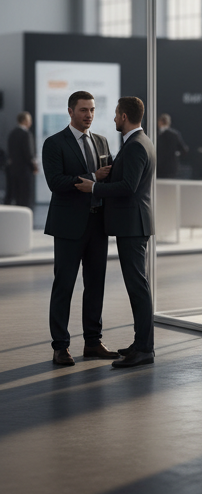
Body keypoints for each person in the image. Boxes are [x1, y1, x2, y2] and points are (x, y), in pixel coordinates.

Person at [77, 95, 156, 368]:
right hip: (133, 224)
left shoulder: (134, 146)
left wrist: (94, 187)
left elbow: (128, 187)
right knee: (138, 286)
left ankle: (145, 349)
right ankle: (140, 344)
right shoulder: (140, 142)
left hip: (132, 225)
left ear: (124, 116)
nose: (112, 119)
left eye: (115, 114)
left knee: (138, 287)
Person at [41, 91, 117, 366]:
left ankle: (93, 343)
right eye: (84, 110)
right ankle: (60, 346)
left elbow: (108, 180)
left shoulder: (101, 141)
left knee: (95, 285)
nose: (89, 115)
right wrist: (92, 177)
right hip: (69, 227)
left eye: (93, 110)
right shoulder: (54, 143)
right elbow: (55, 182)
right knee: (64, 286)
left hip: (98, 224)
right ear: (71, 111)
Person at [6, 111, 37, 208]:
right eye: (29, 120)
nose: (30, 122)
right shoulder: (26, 134)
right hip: (25, 170)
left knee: (16, 195)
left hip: (13, 170)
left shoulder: (12, 133)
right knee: (25, 196)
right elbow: (29, 154)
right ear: (25, 121)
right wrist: (34, 167)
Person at [156, 113, 188, 179]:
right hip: (171, 166)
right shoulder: (175, 134)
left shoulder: (157, 135)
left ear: (160, 122)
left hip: (159, 166)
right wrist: (176, 154)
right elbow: (184, 149)